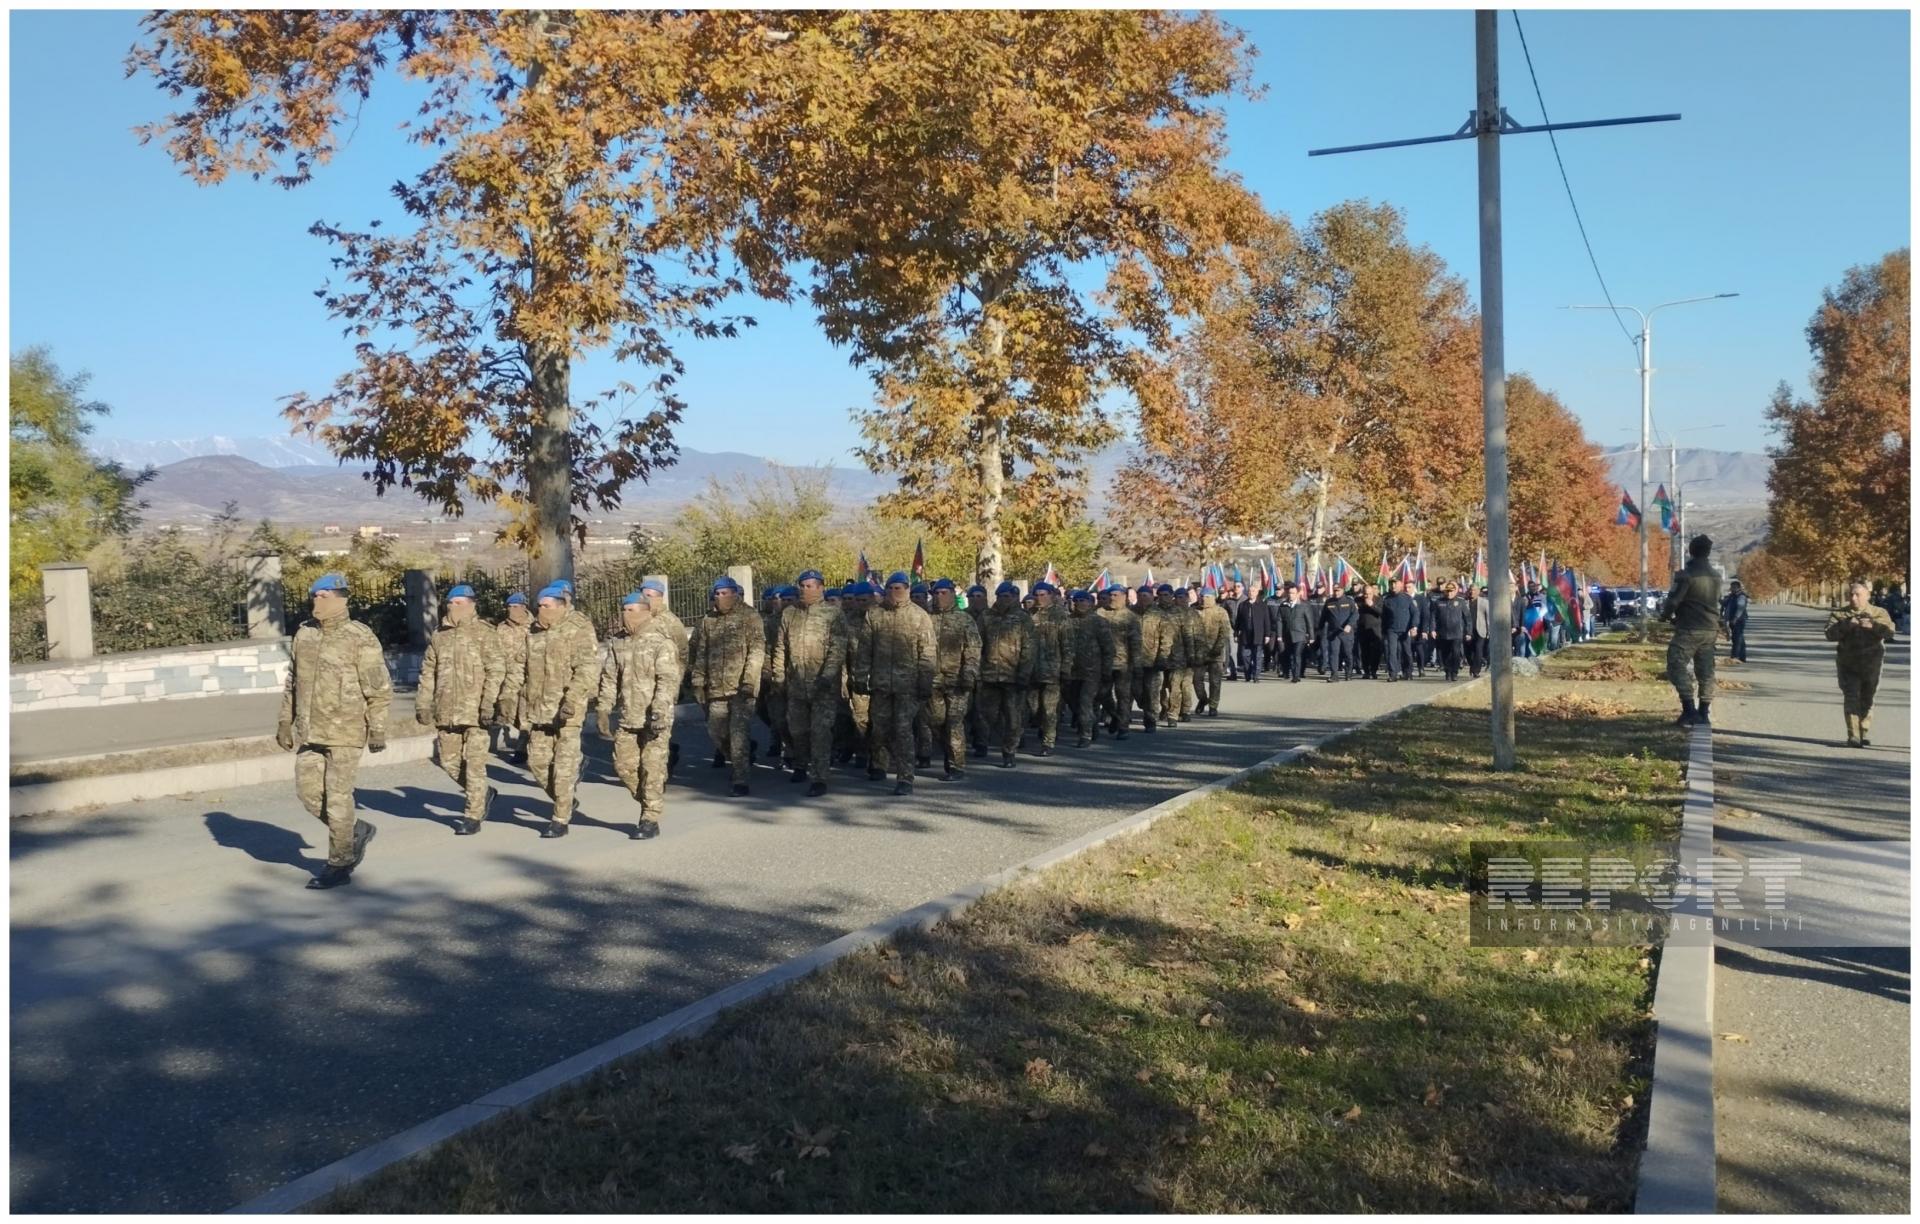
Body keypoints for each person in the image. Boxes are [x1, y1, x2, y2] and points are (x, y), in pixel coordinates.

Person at [277, 573, 390, 890]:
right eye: (314, 596)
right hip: (310, 732)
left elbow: (379, 689)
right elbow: (292, 682)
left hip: (346, 731)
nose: (316, 601)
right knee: (309, 794)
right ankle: (356, 829)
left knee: (339, 798)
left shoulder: (359, 637)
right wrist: (285, 721)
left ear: (340, 598)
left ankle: (339, 864)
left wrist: (377, 728)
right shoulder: (304, 635)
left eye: (322, 596)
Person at [416, 583, 505, 836]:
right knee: (449, 761)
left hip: (476, 712)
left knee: (475, 765)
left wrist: (489, 702)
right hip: (447, 711)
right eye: (451, 603)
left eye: (459, 604)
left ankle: (472, 815)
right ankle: (483, 793)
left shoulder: (485, 633)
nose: (453, 608)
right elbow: (428, 673)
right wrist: (423, 703)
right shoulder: (439, 635)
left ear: (471, 605)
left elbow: (496, 670)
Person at [514, 583, 600, 836]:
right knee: (537, 763)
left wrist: (572, 700)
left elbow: (587, 669)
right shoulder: (533, 632)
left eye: (547, 606)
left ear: (561, 606)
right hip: (538, 711)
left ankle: (559, 819)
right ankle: (565, 799)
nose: (541, 610)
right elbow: (521, 667)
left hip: (567, 711)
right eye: (539, 606)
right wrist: (512, 697)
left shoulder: (578, 629)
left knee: (563, 769)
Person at [594, 591, 681, 839]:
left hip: (655, 717)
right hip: (628, 718)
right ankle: (649, 801)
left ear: (644, 611)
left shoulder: (660, 641)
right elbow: (610, 679)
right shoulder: (618, 643)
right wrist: (603, 708)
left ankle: (649, 819)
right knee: (624, 767)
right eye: (623, 609)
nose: (625, 615)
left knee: (652, 768)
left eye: (631, 610)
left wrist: (660, 711)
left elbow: (668, 680)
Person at [772, 570, 848, 797]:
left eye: (809, 586)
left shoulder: (833, 614)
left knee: (820, 731)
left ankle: (820, 776)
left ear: (820, 587)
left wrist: (828, 675)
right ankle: (800, 764)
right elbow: (780, 648)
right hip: (796, 684)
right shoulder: (790, 614)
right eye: (802, 586)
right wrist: (778, 676)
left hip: (823, 686)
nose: (804, 589)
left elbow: (838, 648)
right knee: (797, 729)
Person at [689, 575, 765, 797]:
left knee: (738, 733)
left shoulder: (750, 617)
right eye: (717, 594)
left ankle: (741, 778)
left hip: (742, 688)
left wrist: (750, 680)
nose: (720, 598)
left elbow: (756, 651)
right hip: (715, 688)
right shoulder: (708, 620)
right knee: (716, 731)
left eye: (724, 593)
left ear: (734, 594)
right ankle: (739, 756)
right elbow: (701, 652)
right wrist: (698, 680)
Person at [859, 572, 936, 794]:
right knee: (880, 729)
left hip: (907, 686)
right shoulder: (874, 615)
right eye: (891, 588)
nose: (895, 592)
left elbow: (928, 653)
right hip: (881, 684)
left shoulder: (919, 616)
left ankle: (905, 777)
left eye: (900, 588)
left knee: (903, 731)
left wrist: (925, 681)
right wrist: (860, 677)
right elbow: (865, 650)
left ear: (908, 589)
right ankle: (879, 764)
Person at [1660, 535, 1724, 727]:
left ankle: (1689, 709)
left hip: (1689, 627)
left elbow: (1673, 600)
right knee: (1706, 671)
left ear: (1691, 550)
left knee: (1676, 664)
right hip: (1710, 628)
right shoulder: (1716, 576)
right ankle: (1704, 712)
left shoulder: (1685, 575)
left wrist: (1665, 615)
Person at [1826, 581, 1897, 746]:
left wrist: (1873, 626)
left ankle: (1863, 730)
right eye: (1851, 594)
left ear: (1867, 596)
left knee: (1868, 698)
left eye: (1858, 594)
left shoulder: (1878, 613)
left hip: (1871, 664)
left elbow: (1890, 632)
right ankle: (1853, 735)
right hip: (1848, 663)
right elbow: (1829, 634)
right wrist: (1846, 626)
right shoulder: (1840, 615)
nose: (1853, 598)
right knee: (1851, 696)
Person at [926, 578, 983, 778]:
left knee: (954, 722)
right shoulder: (926, 618)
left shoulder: (964, 619)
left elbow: (973, 649)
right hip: (933, 681)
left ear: (952, 594)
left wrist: (969, 672)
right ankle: (948, 751)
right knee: (935, 720)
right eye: (936, 593)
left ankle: (956, 765)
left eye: (943, 593)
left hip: (958, 681)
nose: (939, 597)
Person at [979, 581, 1036, 766]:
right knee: (987, 715)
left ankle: (1009, 751)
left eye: (1008, 597)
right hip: (989, 675)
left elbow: (1029, 647)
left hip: (1013, 676)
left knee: (1013, 717)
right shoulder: (986, 616)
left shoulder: (1022, 618)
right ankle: (985, 742)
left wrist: (1024, 674)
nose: (1005, 600)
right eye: (1001, 596)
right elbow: (977, 644)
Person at [640, 579, 690, 772]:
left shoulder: (670, 622)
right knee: (644, 724)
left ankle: (661, 767)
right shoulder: (640, 617)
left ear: (660, 598)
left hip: (665, 682)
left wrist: (677, 681)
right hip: (642, 682)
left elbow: (683, 653)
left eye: (649, 596)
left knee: (659, 725)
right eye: (643, 595)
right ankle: (665, 754)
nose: (645, 600)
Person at [1026, 582, 1070, 756]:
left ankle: (1048, 742)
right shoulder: (1028, 616)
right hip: (1031, 670)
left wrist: (1066, 668)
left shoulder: (1060, 616)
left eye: (1043, 594)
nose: (1039, 598)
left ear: (1051, 595)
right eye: (1036, 595)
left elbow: (1067, 644)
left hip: (1052, 670)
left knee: (1049, 708)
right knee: (1033, 707)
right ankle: (1042, 727)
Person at [492, 592, 533, 763]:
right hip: (507, 679)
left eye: (515, 607)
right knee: (510, 713)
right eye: (509, 607)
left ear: (524, 607)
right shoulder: (501, 628)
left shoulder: (534, 627)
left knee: (525, 715)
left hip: (528, 678)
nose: (511, 610)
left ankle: (522, 749)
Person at [1097, 584, 1143, 737]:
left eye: (1116, 595)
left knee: (1123, 696)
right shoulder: (1100, 614)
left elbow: (1136, 643)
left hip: (1123, 663)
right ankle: (1115, 716)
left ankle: (1123, 727)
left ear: (1124, 597)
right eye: (1111, 595)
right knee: (1102, 693)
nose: (1112, 598)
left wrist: (1136, 664)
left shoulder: (1130, 617)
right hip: (1103, 662)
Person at [1191, 587, 1232, 713]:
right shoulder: (1194, 611)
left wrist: (1218, 648)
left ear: (1213, 597)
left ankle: (1213, 706)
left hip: (1215, 654)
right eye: (1202, 596)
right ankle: (1203, 699)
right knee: (1196, 680)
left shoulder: (1221, 612)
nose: (1204, 599)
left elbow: (1225, 632)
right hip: (1198, 653)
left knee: (1215, 682)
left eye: (1207, 597)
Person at [1427, 579, 1469, 682]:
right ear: (1445, 591)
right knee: (1444, 654)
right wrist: (1432, 629)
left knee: (1455, 653)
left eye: (1451, 591)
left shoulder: (1461, 602)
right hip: (1443, 633)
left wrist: (1468, 632)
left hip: (1456, 633)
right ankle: (1447, 671)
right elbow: (1433, 617)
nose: (1449, 593)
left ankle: (1454, 672)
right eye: (1447, 591)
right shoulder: (1438, 602)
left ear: (1455, 591)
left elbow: (1467, 618)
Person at [1234, 583, 1273, 684]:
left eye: (1254, 591)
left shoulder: (1262, 605)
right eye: (1250, 591)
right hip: (1246, 635)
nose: (1251, 593)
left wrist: (1267, 635)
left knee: (1257, 656)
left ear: (1257, 593)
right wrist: (1236, 634)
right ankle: (1248, 674)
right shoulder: (1243, 605)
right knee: (1245, 655)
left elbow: (1267, 621)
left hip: (1258, 634)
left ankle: (1256, 676)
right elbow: (1238, 621)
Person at [1381, 577, 1417, 681]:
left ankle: (1408, 672)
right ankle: (1393, 674)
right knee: (1392, 652)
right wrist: (1383, 631)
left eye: (1395, 584)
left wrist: (1414, 626)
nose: (1393, 586)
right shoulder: (1387, 599)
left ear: (1400, 584)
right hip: (1391, 629)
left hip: (1405, 629)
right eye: (1391, 584)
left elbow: (1415, 613)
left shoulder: (1407, 598)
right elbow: (1384, 617)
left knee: (1407, 652)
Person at [1321, 583, 1357, 682]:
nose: (1336, 592)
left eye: (1338, 590)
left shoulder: (1349, 601)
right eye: (1335, 590)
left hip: (1346, 632)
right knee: (1333, 653)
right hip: (1333, 632)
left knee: (1347, 653)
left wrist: (1349, 625)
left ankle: (1348, 672)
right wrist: (1319, 629)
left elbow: (1355, 615)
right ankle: (1334, 675)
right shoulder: (1329, 602)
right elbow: (1323, 617)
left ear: (1343, 590)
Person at [1279, 582, 1313, 683]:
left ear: (1298, 594)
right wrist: (1279, 635)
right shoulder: (1283, 605)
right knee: (1287, 655)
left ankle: (1296, 675)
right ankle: (1287, 672)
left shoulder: (1304, 605)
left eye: (1293, 593)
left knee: (1296, 655)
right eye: (1289, 593)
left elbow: (1309, 621)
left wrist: (1311, 636)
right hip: (1287, 635)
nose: (1291, 595)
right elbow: (1279, 620)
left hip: (1300, 635)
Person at [1721, 579, 1750, 663]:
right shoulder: (1732, 596)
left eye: (1734, 587)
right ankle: (1741, 657)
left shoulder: (1741, 596)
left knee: (1737, 638)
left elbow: (1740, 608)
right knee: (1738, 638)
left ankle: (1736, 656)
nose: (1732, 589)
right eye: (1731, 587)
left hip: (1738, 620)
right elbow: (1724, 603)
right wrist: (1719, 598)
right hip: (1733, 620)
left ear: (1738, 587)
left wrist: (1735, 618)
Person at [1465, 583, 1489, 678]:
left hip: (1480, 629)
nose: (1472, 592)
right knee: (1468, 652)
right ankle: (1472, 665)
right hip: (1467, 631)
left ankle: (1476, 670)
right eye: (1471, 590)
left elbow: (1488, 618)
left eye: (1474, 590)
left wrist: (1488, 631)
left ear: (1478, 591)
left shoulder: (1484, 602)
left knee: (1478, 650)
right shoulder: (1464, 602)